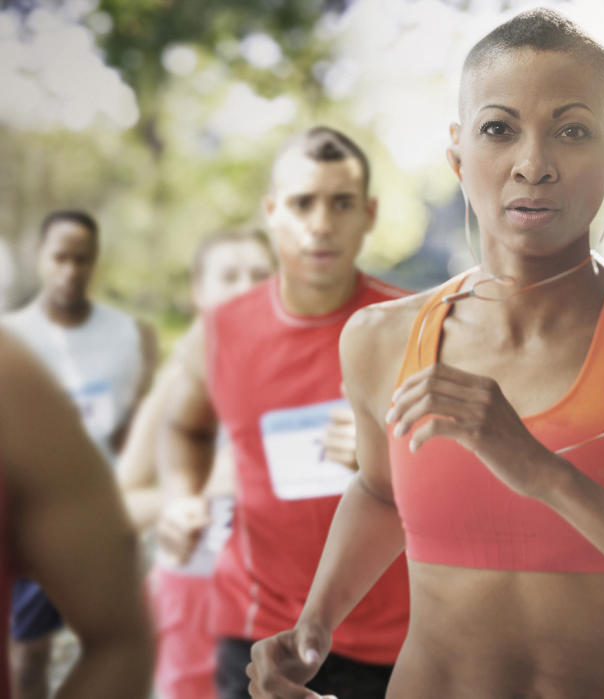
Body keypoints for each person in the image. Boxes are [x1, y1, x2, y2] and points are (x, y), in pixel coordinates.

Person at [247, 10, 604, 699]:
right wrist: (313, 627)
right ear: (457, 153)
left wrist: (543, 472)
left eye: (572, 130)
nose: (534, 164)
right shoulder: (380, 338)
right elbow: (381, 492)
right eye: (499, 129)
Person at [156, 127, 410, 699]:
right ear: (272, 212)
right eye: (302, 203)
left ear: (368, 214)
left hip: (395, 640)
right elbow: (183, 427)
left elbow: (467, 472)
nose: (321, 223)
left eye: (341, 203)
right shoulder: (220, 332)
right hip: (258, 633)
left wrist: (385, 452)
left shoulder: (409, 326)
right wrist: (182, 497)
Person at [2, 210, 157, 699]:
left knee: (116, 639)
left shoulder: (129, 336)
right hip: (26, 516)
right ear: (40, 258)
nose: (70, 270)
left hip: (101, 518)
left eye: (82, 259)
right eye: (60, 258)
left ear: (95, 261)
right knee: (28, 653)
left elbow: (139, 428)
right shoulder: (15, 337)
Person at [115, 228, 275, 699]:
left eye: (260, 275)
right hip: (194, 595)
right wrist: (199, 489)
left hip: (284, 601)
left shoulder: (308, 370)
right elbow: (116, 508)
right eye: (229, 276)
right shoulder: (178, 382)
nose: (246, 287)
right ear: (198, 292)